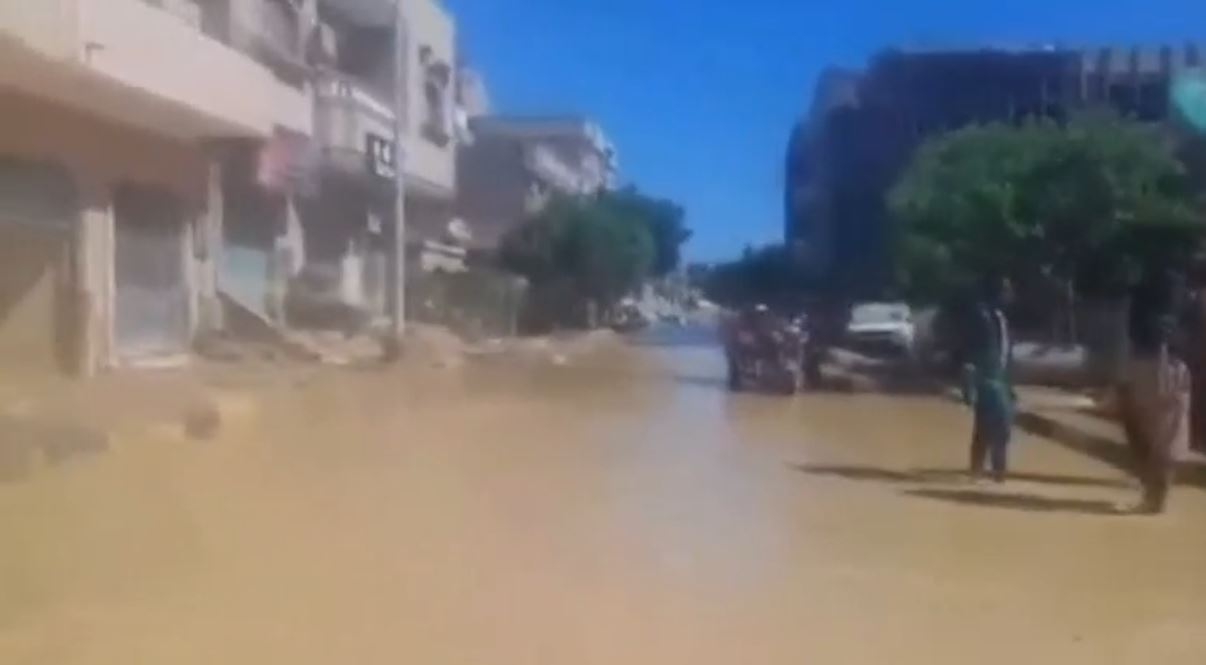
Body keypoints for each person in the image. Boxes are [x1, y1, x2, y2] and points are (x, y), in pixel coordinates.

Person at [1118, 272, 1191, 514]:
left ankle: (1152, 495)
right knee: (1167, 437)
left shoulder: (1144, 315)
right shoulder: (1181, 313)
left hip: (1149, 367)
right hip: (1172, 368)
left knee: (1148, 435)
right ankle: (1156, 496)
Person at [962, 276, 1014, 482]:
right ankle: (996, 470)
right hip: (986, 378)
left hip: (999, 377)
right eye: (1007, 290)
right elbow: (970, 349)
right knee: (1000, 423)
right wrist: (969, 380)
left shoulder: (998, 317)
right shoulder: (981, 317)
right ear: (998, 292)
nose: (1010, 294)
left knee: (986, 425)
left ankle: (981, 468)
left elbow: (1004, 350)